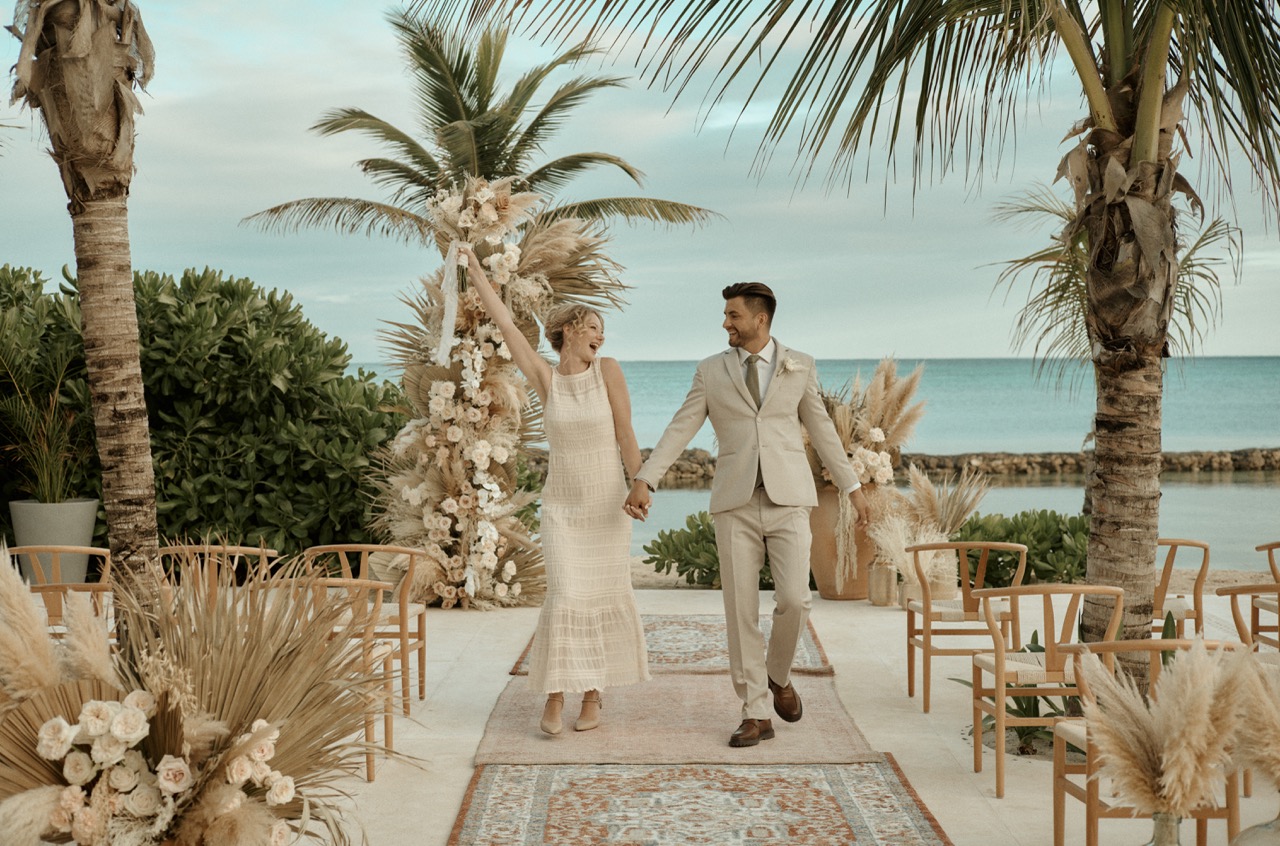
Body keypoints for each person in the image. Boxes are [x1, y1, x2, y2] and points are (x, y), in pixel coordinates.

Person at [625, 282, 869, 748]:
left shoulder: (800, 367)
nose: (725, 324)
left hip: (789, 501)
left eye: (733, 315)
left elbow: (823, 432)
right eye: (725, 315)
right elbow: (682, 426)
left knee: (795, 600)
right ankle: (756, 711)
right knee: (740, 611)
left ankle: (777, 676)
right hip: (734, 503)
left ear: (760, 319)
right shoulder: (710, 371)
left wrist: (853, 488)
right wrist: (646, 477)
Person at [459, 244, 650, 736]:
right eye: (592, 328)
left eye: (602, 331)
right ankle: (555, 694)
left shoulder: (608, 371)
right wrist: (476, 270)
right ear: (567, 332)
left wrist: (640, 483)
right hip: (563, 507)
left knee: (602, 596)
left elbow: (627, 433)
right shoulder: (546, 378)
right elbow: (505, 326)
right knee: (565, 597)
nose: (600, 336)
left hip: (607, 506)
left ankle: (593, 695)